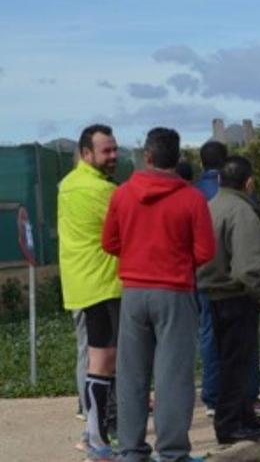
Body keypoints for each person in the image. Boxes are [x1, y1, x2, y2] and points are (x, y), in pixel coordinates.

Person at [103, 127, 216, 462]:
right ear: (178, 158)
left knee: (131, 375)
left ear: (147, 156)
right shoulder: (192, 198)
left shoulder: (122, 194)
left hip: (134, 293)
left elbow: (109, 242)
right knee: (172, 377)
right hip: (175, 292)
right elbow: (205, 251)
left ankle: (132, 451)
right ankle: (171, 453)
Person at [197, 156, 260, 444]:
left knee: (229, 361)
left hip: (214, 293)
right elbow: (248, 266)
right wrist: (258, 290)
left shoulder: (211, 207)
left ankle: (244, 416)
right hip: (237, 295)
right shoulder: (242, 212)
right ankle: (231, 424)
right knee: (237, 364)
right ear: (249, 182)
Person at [59, 124, 122, 461]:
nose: (113, 155)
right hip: (102, 283)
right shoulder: (99, 192)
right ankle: (97, 439)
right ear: (86, 154)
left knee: (96, 359)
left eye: (114, 149)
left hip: (82, 283)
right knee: (104, 361)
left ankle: (94, 432)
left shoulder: (68, 184)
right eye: (106, 151)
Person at [193, 140, 226, 418]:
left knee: (207, 331)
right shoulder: (232, 189)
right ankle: (227, 394)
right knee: (237, 336)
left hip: (198, 273)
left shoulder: (192, 192)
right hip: (228, 274)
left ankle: (211, 395)